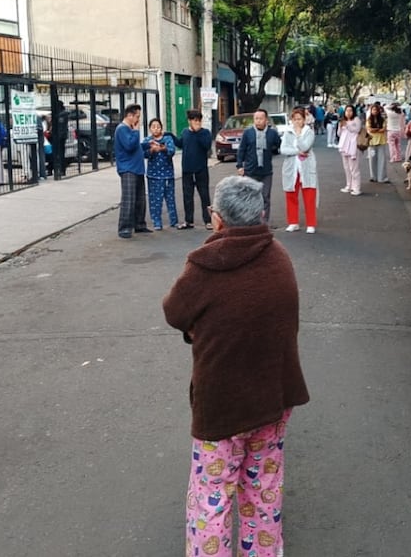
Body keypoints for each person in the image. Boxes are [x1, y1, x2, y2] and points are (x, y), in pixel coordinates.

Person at [161, 175, 310, 557]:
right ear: (260, 214)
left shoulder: (205, 266)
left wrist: (200, 329)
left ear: (217, 220)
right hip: (273, 398)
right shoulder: (278, 257)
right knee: (262, 488)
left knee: (212, 495)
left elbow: (175, 312)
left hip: (222, 405)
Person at [236, 109, 281, 226]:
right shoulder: (248, 133)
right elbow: (242, 150)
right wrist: (240, 165)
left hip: (266, 171)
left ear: (266, 120)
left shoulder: (272, 133)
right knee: (250, 197)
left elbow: (278, 145)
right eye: (256, 118)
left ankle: (264, 222)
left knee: (265, 197)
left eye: (261, 118)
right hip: (250, 170)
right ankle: (250, 221)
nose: (258, 121)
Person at [114, 103, 150, 238]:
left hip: (137, 167)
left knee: (140, 199)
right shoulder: (122, 129)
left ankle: (139, 224)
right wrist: (136, 131)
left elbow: (136, 146)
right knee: (128, 199)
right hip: (128, 168)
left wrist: (147, 145)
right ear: (129, 115)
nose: (138, 120)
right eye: (137, 117)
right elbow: (129, 146)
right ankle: (124, 227)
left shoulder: (129, 129)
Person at [281, 107, 318, 233]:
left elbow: (306, 147)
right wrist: (297, 152)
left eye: (299, 119)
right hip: (291, 168)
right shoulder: (287, 132)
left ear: (304, 120)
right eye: (295, 119)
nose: (297, 122)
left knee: (309, 195)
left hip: (306, 168)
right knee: (291, 194)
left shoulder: (309, 132)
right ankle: (293, 222)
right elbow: (283, 149)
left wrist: (298, 135)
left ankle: (311, 223)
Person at [175, 109, 213, 230]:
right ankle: (189, 220)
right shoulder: (185, 132)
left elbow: (207, 146)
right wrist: (170, 136)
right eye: (194, 120)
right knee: (187, 196)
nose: (197, 122)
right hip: (187, 169)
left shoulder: (205, 133)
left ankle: (208, 220)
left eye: (198, 120)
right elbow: (180, 144)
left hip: (201, 169)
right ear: (189, 121)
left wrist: (198, 132)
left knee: (204, 195)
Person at [142, 118, 178, 230]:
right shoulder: (147, 141)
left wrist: (163, 148)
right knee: (155, 200)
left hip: (167, 174)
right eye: (153, 127)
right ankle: (157, 222)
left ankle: (174, 221)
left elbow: (172, 151)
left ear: (161, 128)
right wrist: (151, 150)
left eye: (158, 126)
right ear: (150, 128)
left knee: (170, 198)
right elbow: (143, 154)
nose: (156, 129)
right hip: (153, 175)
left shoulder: (167, 139)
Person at [337, 104, 363, 196]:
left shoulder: (356, 119)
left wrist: (347, 125)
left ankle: (357, 188)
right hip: (344, 146)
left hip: (353, 146)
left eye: (350, 110)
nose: (348, 112)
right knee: (347, 168)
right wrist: (340, 126)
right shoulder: (342, 121)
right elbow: (339, 134)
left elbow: (357, 130)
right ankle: (349, 185)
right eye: (347, 110)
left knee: (354, 168)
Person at [365, 103, 388, 183]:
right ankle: (373, 176)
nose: (375, 111)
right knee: (372, 159)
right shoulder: (369, 119)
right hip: (371, 142)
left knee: (382, 159)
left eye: (376, 110)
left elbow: (383, 129)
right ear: (371, 111)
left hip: (381, 141)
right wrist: (378, 129)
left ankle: (382, 177)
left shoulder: (382, 119)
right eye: (373, 110)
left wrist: (375, 129)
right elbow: (369, 129)